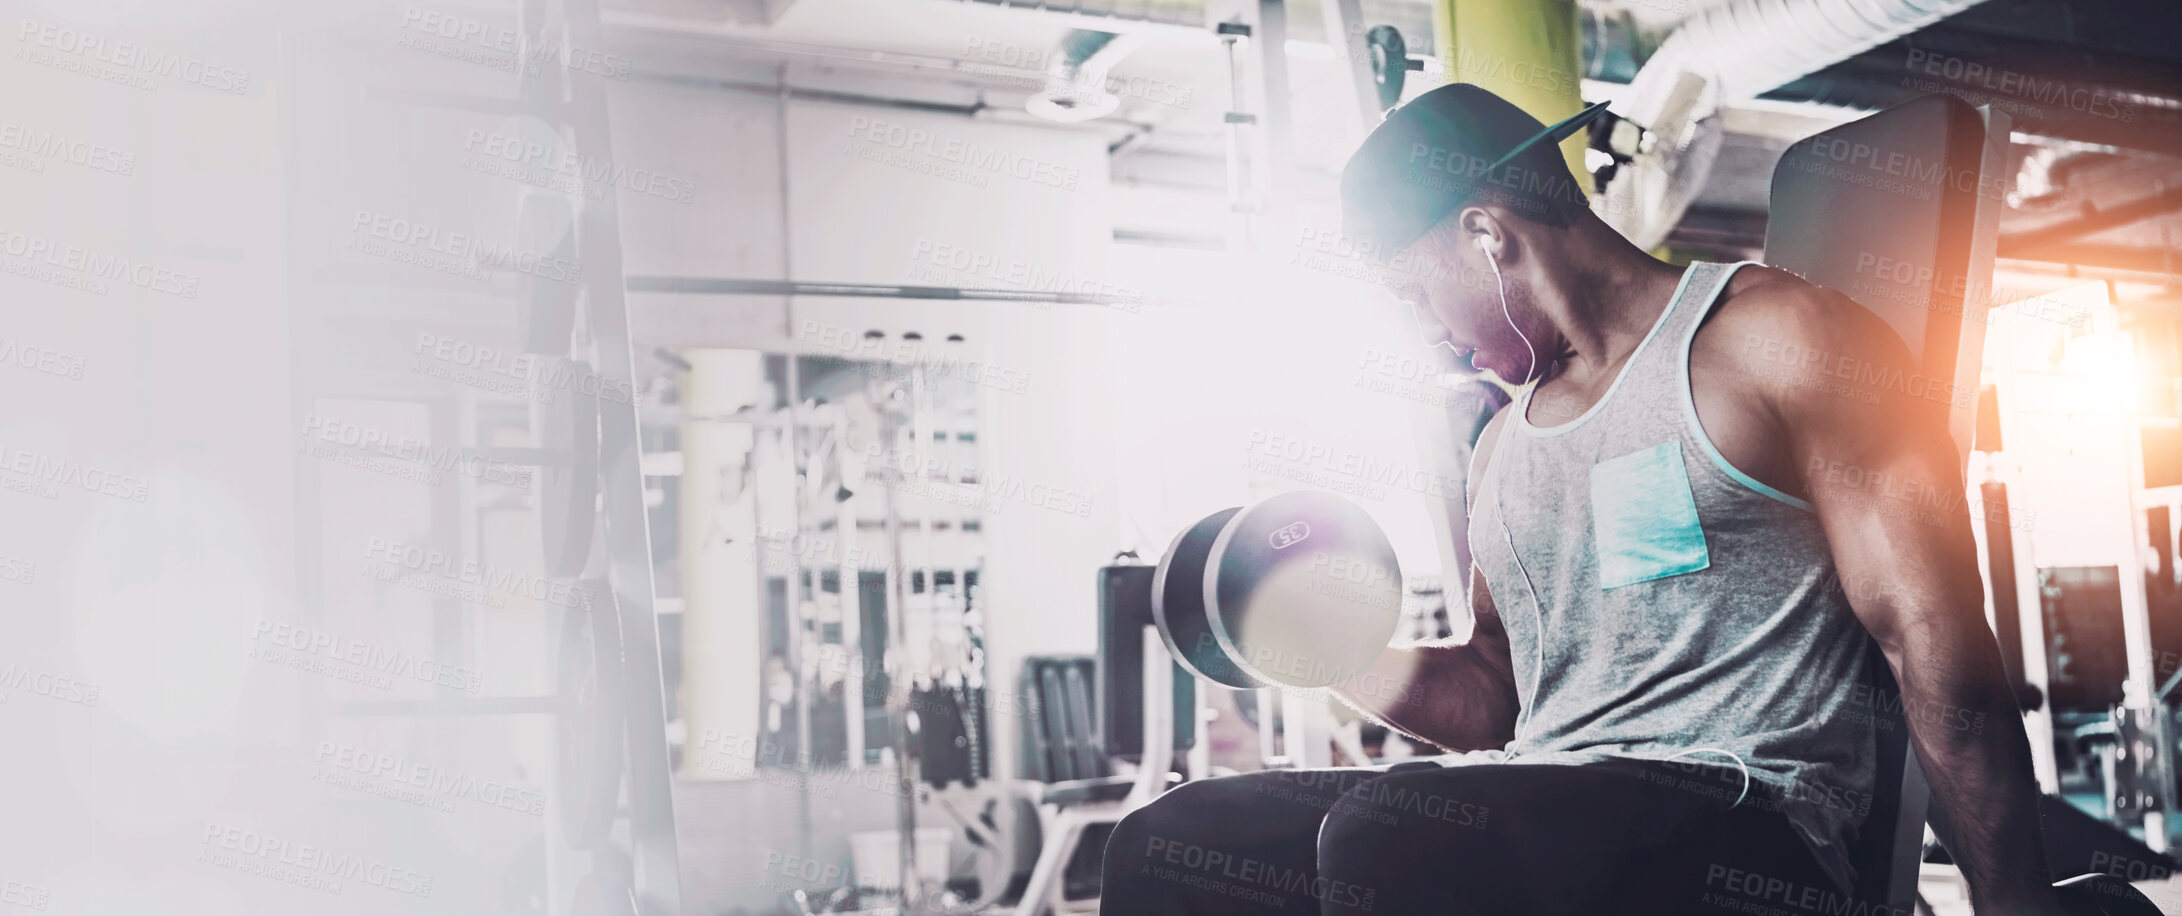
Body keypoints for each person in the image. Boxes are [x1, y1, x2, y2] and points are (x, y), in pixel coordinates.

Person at [1099, 83, 2067, 915]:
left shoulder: (1767, 342)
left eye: (1412, 294)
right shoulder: (1498, 448)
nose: (1420, 335)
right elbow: (1495, 699)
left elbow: (1939, 655)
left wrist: (2013, 904)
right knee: (1172, 842)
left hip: (1754, 824)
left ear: (1485, 233)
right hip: (1556, 804)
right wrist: (1320, 644)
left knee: (1388, 838)